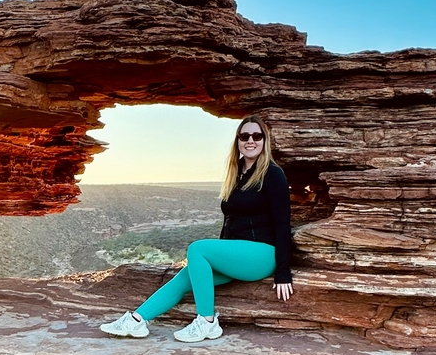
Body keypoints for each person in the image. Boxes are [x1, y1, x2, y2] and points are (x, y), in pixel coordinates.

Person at [100, 115, 293, 343]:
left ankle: (207, 322)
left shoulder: (272, 174)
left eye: (257, 136)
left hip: (262, 255)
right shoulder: (237, 172)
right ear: (238, 141)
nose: (250, 141)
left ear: (264, 141)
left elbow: (283, 224)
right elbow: (230, 221)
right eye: (244, 136)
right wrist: (221, 254)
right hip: (238, 254)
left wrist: (283, 273)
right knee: (186, 276)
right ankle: (136, 320)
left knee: (197, 249)